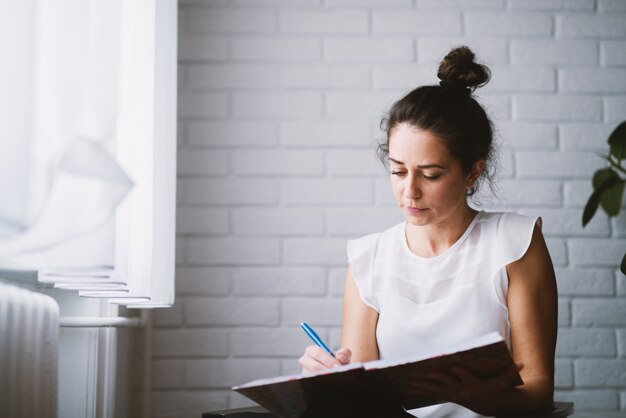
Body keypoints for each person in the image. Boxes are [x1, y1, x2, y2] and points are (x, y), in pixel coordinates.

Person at [298, 46, 558, 418]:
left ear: (472, 172)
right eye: (398, 171)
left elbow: (538, 392)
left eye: (430, 174)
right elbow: (365, 396)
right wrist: (332, 376)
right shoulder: (369, 259)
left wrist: (477, 397)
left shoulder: (515, 244)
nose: (410, 191)